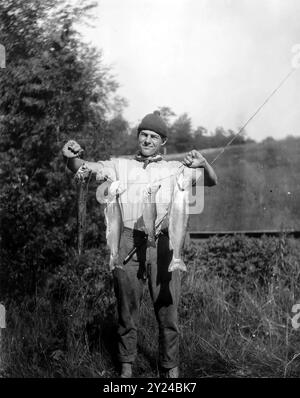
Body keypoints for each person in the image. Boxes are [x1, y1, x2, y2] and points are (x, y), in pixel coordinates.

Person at [62, 110, 217, 378]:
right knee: (126, 306)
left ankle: (170, 367)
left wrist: (203, 162)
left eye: (153, 136)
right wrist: (72, 157)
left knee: (167, 309)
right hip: (127, 240)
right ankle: (126, 366)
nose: (147, 140)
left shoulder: (175, 169)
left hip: (164, 244)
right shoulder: (120, 166)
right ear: (138, 137)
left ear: (163, 142)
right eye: (143, 134)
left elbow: (211, 181)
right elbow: (84, 169)